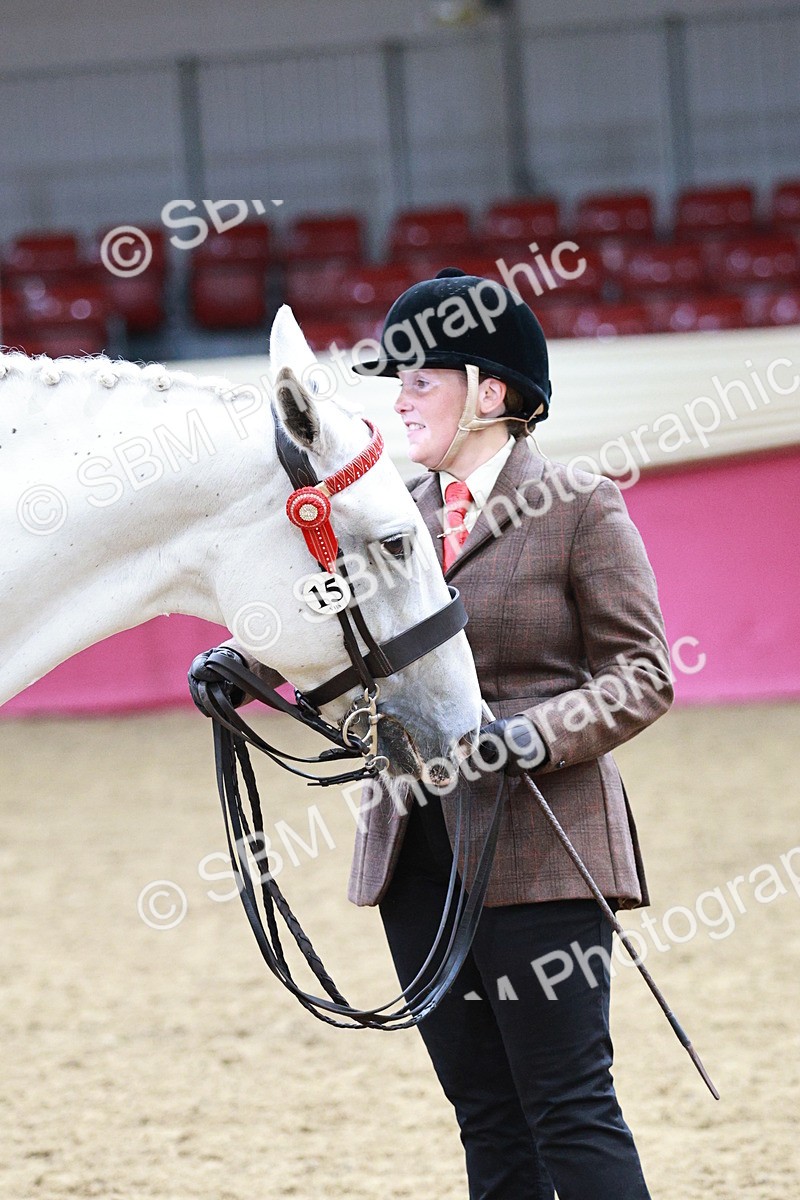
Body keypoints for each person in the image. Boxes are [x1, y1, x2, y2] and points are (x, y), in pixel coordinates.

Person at [193, 268, 673, 1200]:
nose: (400, 397)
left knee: (568, 1107)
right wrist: (242, 666)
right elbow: (337, 632)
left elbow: (643, 673)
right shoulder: (393, 515)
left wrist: (532, 735)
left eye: (422, 378)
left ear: (491, 393)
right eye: (397, 379)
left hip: (541, 844)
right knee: (485, 1115)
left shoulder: (578, 505)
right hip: (415, 851)